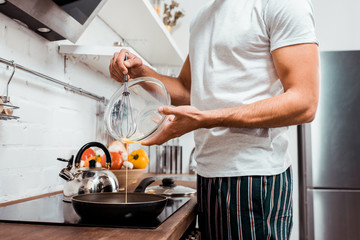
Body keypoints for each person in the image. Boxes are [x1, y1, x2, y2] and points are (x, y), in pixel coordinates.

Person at [109, 0, 319, 238]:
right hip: (208, 176)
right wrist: (141, 72)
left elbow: (304, 102)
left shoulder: (279, 4)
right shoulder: (202, 19)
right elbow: (189, 91)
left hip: (254, 179)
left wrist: (207, 119)